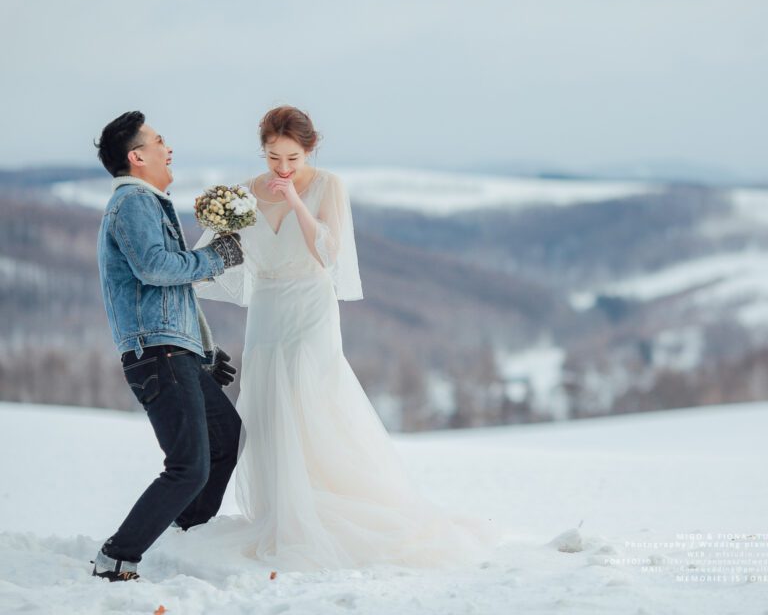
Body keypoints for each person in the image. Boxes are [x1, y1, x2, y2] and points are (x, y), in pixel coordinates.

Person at [193, 105, 500, 569]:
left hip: (311, 304)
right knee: (270, 400)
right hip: (268, 308)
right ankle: (282, 509)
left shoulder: (328, 185)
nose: (282, 168)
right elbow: (223, 255)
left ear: (309, 150)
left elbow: (328, 252)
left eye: (293, 158)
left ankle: (321, 502)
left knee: (311, 396)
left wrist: (295, 200)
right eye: (273, 158)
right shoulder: (245, 192)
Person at [91, 111, 246, 581]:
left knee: (225, 439)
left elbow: (172, 292)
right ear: (137, 157)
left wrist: (203, 351)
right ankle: (117, 557)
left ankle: (184, 536)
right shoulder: (133, 202)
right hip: (157, 354)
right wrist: (215, 257)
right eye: (159, 140)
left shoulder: (147, 202)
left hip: (175, 351)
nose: (168, 147)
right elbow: (156, 268)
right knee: (188, 467)